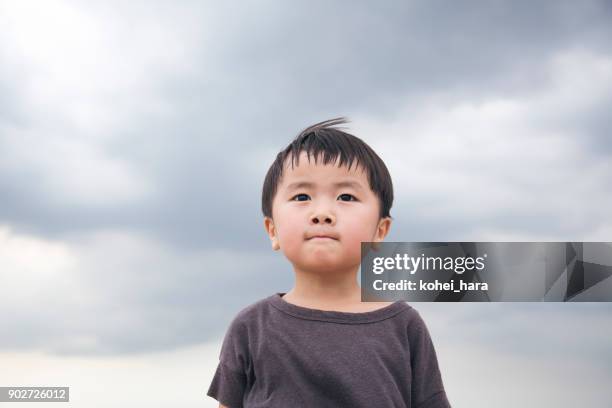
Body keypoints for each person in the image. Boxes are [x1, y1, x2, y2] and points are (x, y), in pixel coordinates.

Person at [207, 117, 451, 407]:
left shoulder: (404, 326)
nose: (322, 212)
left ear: (379, 231)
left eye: (346, 196)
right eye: (302, 196)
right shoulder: (251, 326)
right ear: (273, 231)